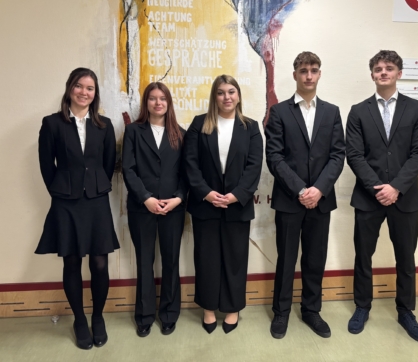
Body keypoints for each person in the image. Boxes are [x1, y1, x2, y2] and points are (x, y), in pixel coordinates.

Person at [345, 50, 418, 342]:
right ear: (372, 74)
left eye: (389, 68)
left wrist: (396, 187)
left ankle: (406, 311)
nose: (383, 72)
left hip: (404, 198)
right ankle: (362, 307)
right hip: (368, 198)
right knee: (363, 256)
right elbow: (354, 155)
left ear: (399, 74)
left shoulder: (416, 109)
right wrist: (378, 188)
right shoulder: (358, 111)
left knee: (405, 258)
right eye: (378, 68)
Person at [36, 67, 119, 350]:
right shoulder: (52, 123)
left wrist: (93, 185)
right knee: (71, 261)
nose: (84, 92)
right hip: (66, 202)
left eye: (90, 88)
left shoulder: (104, 125)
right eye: (79, 86)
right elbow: (47, 166)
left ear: (95, 93)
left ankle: (97, 316)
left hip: (96, 201)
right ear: (70, 88)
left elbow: (108, 164)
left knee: (99, 263)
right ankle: (80, 319)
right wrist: (62, 189)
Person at [265, 51, 345, 339]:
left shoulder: (332, 112)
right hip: (290, 200)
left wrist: (319, 190)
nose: (308, 76)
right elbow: (274, 157)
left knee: (315, 259)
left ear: (319, 74)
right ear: (295, 75)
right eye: (303, 71)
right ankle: (281, 312)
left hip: (321, 201)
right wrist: (301, 189)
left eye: (313, 70)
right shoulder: (279, 112)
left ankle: (311, 310)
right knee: (286, 259)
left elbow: (337, 155)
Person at [184, 75, 263, 334]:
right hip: (205, 205)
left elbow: (254, 166)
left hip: (237, 206)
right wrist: (206, 193)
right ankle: (208, 308)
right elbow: (190, 163)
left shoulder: (250, 127)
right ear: (214, 97)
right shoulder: (199, 124)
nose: (226, 97)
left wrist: (237, 194)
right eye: (220, 92)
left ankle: (232, 308)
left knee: (235, 259)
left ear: (238, 95)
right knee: (206, 259)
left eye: (231, 91)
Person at [122, 82, 187, 338]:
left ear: (168, 103)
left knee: (171, 262)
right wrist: (146, 198)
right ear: (146, 103)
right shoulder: (133, 131)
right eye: (152, 98)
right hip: (142, 208)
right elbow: (128, 169)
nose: (158, 103)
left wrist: (179, 198)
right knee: (144, 262)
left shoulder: (181, 134)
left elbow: (187, 173)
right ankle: (145, 316)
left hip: (173, 208)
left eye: (162, 98)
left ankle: (169, 314)